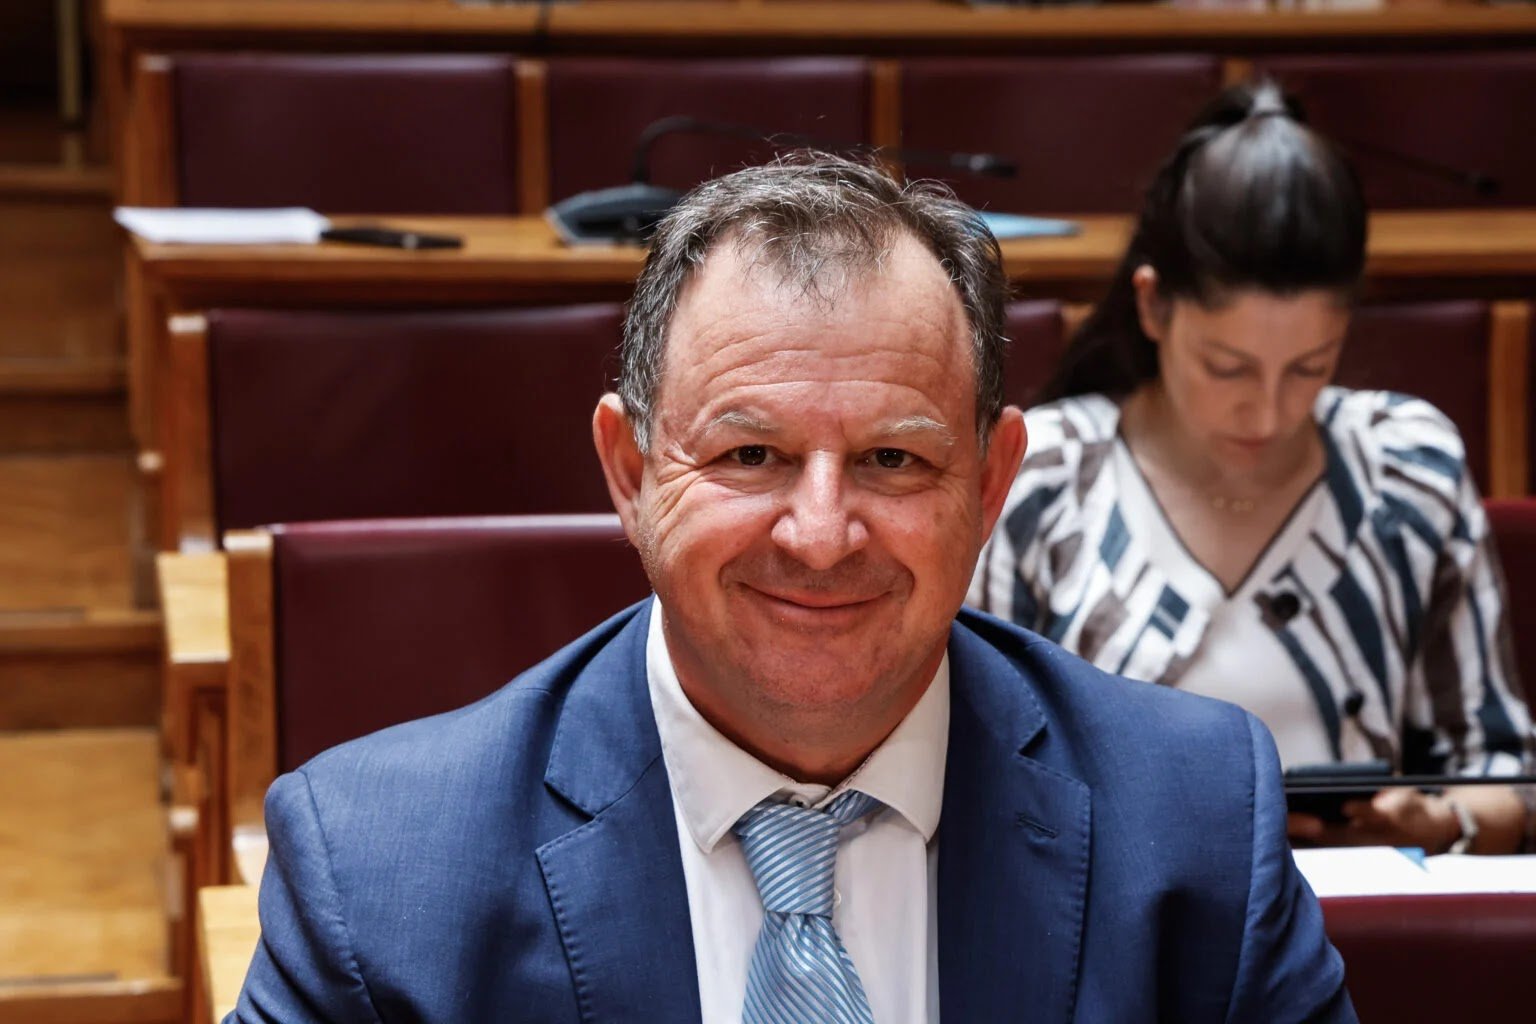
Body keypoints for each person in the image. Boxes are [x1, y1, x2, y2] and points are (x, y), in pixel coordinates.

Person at [228, 153, 1354, 1023]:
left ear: (990, 483)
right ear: (630, 472)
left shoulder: (1198, 824)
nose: (820, 537)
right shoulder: (382, 875)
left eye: (893, 459)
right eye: (750, 455)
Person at [970, 82, 1535, 856]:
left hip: (1360, 909)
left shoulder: (1407, 466)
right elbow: (979, 778)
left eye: (1310, 367)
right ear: (1153, 306)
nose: (1268, 413)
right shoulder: (1046, 473)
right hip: (1112, 920)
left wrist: (1444, 824)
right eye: (1228, 367)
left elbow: (1506, 775)